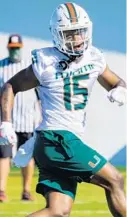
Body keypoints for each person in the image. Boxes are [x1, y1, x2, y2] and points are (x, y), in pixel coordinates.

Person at [0, 2, 126, 216]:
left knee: (57, 211)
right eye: (70, 34)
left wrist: (120, 89)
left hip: (61, 142)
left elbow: (116, 81)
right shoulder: (46, 61)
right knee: (115, 179)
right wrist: (6, 123)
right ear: (58, 35)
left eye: (80, 32)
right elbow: (11, 86)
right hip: (57, 139)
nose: (77, 39)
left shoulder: (94, 57)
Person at [0, 34, 41, 202]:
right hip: (6, 120)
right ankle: (1, 190)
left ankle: (26, 191)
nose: (15, 51)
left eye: (17, 48)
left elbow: (40, 94)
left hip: (27, 119)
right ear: (8, 48)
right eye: (12, 48)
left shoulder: (29, 67)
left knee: (27, 156)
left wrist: (40, 116)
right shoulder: (1, 66)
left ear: (21, 48)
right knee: (4, 155)